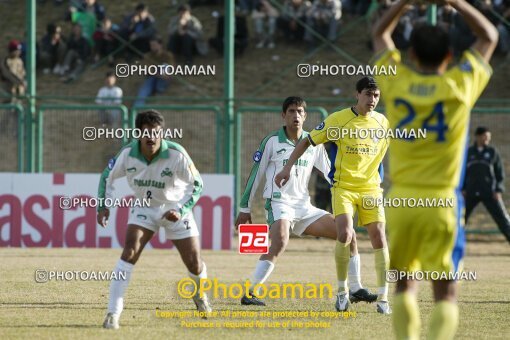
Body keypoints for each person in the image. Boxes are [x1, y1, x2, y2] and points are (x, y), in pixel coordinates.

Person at [371, 0, 498, 338]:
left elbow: (379, 33)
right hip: (442, 203)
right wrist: (455, 1)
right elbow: (489, 35)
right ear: (449, 56)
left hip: (401, 201)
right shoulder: (459, 85)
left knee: (404, 288)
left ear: (410, 55)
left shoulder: (396, 82)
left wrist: (403, 3)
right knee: (445, 293)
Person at [237, 96, 378, 307]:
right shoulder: (271, 142)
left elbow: (331, 174)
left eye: (300, 111)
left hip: (304, 207)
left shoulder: (313, 143)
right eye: (291, 111)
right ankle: (250, 292)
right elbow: (255, 175)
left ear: (305, 116)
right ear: (283, 115)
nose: (296, 115)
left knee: (347, 233)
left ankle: (356, 288)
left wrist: (352, 192)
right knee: (280, 241)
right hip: (279, 203)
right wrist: (244, 208)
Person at [275, 78, 391, 315]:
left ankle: (384, 298)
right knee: (345, 234)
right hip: (343, 188)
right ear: (357, 95)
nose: (372, 100)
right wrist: (287, 167)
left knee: (379, 236)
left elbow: (381, 155)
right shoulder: (338, 120)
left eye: (376, 95)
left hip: (371, 189)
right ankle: (342, 292)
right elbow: (308, 141)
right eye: (368, 95)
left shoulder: (382, 122)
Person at [97, 110, 211, 329]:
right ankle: (112, 313)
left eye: (156, 132)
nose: (151, 137)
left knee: (194, 263)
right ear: (138, 133)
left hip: (175, 210)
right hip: (144, 208)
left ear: (162, 133)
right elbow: (106, 177)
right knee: (129, 252)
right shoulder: (128, 153)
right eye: (146, 132)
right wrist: (103, 206)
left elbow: (197, 184)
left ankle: (200, 296)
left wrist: (181, 208)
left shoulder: (177, 154)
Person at [463, 126, 510, 243]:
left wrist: (498, 190)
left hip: (490, 192)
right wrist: (463, 189)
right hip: (470, 191)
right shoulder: (469, 153)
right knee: (459, 219)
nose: (487, 139)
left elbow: (500, 173)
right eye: (485, 136)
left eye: (488, 137)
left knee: (503, 220)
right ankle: (450, 247)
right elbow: (462, 173)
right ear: (478, 136)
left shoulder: (492, 152)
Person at [133, 37, 174, 108]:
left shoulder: (168, 55)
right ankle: (136, 110)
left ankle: (160, 90)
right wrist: (159, 74)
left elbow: (171, 68)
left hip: (163, 77)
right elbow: (146, 70)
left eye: (154, 45)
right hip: (152, 77)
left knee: (165, 66)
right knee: (143, 91)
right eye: (151, 45)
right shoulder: (148, 55)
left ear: (160, 45)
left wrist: (164, 74)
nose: (152, 47)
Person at [0, 40, 26, 104]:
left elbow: (22, 72)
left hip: (19, 90)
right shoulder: (5, 61)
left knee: (18, 106)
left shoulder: (19, 60)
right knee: (8, 106)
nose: (19, 52)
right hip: (8, 89)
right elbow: (8, 74)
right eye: (17, 50)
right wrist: (20, 82)